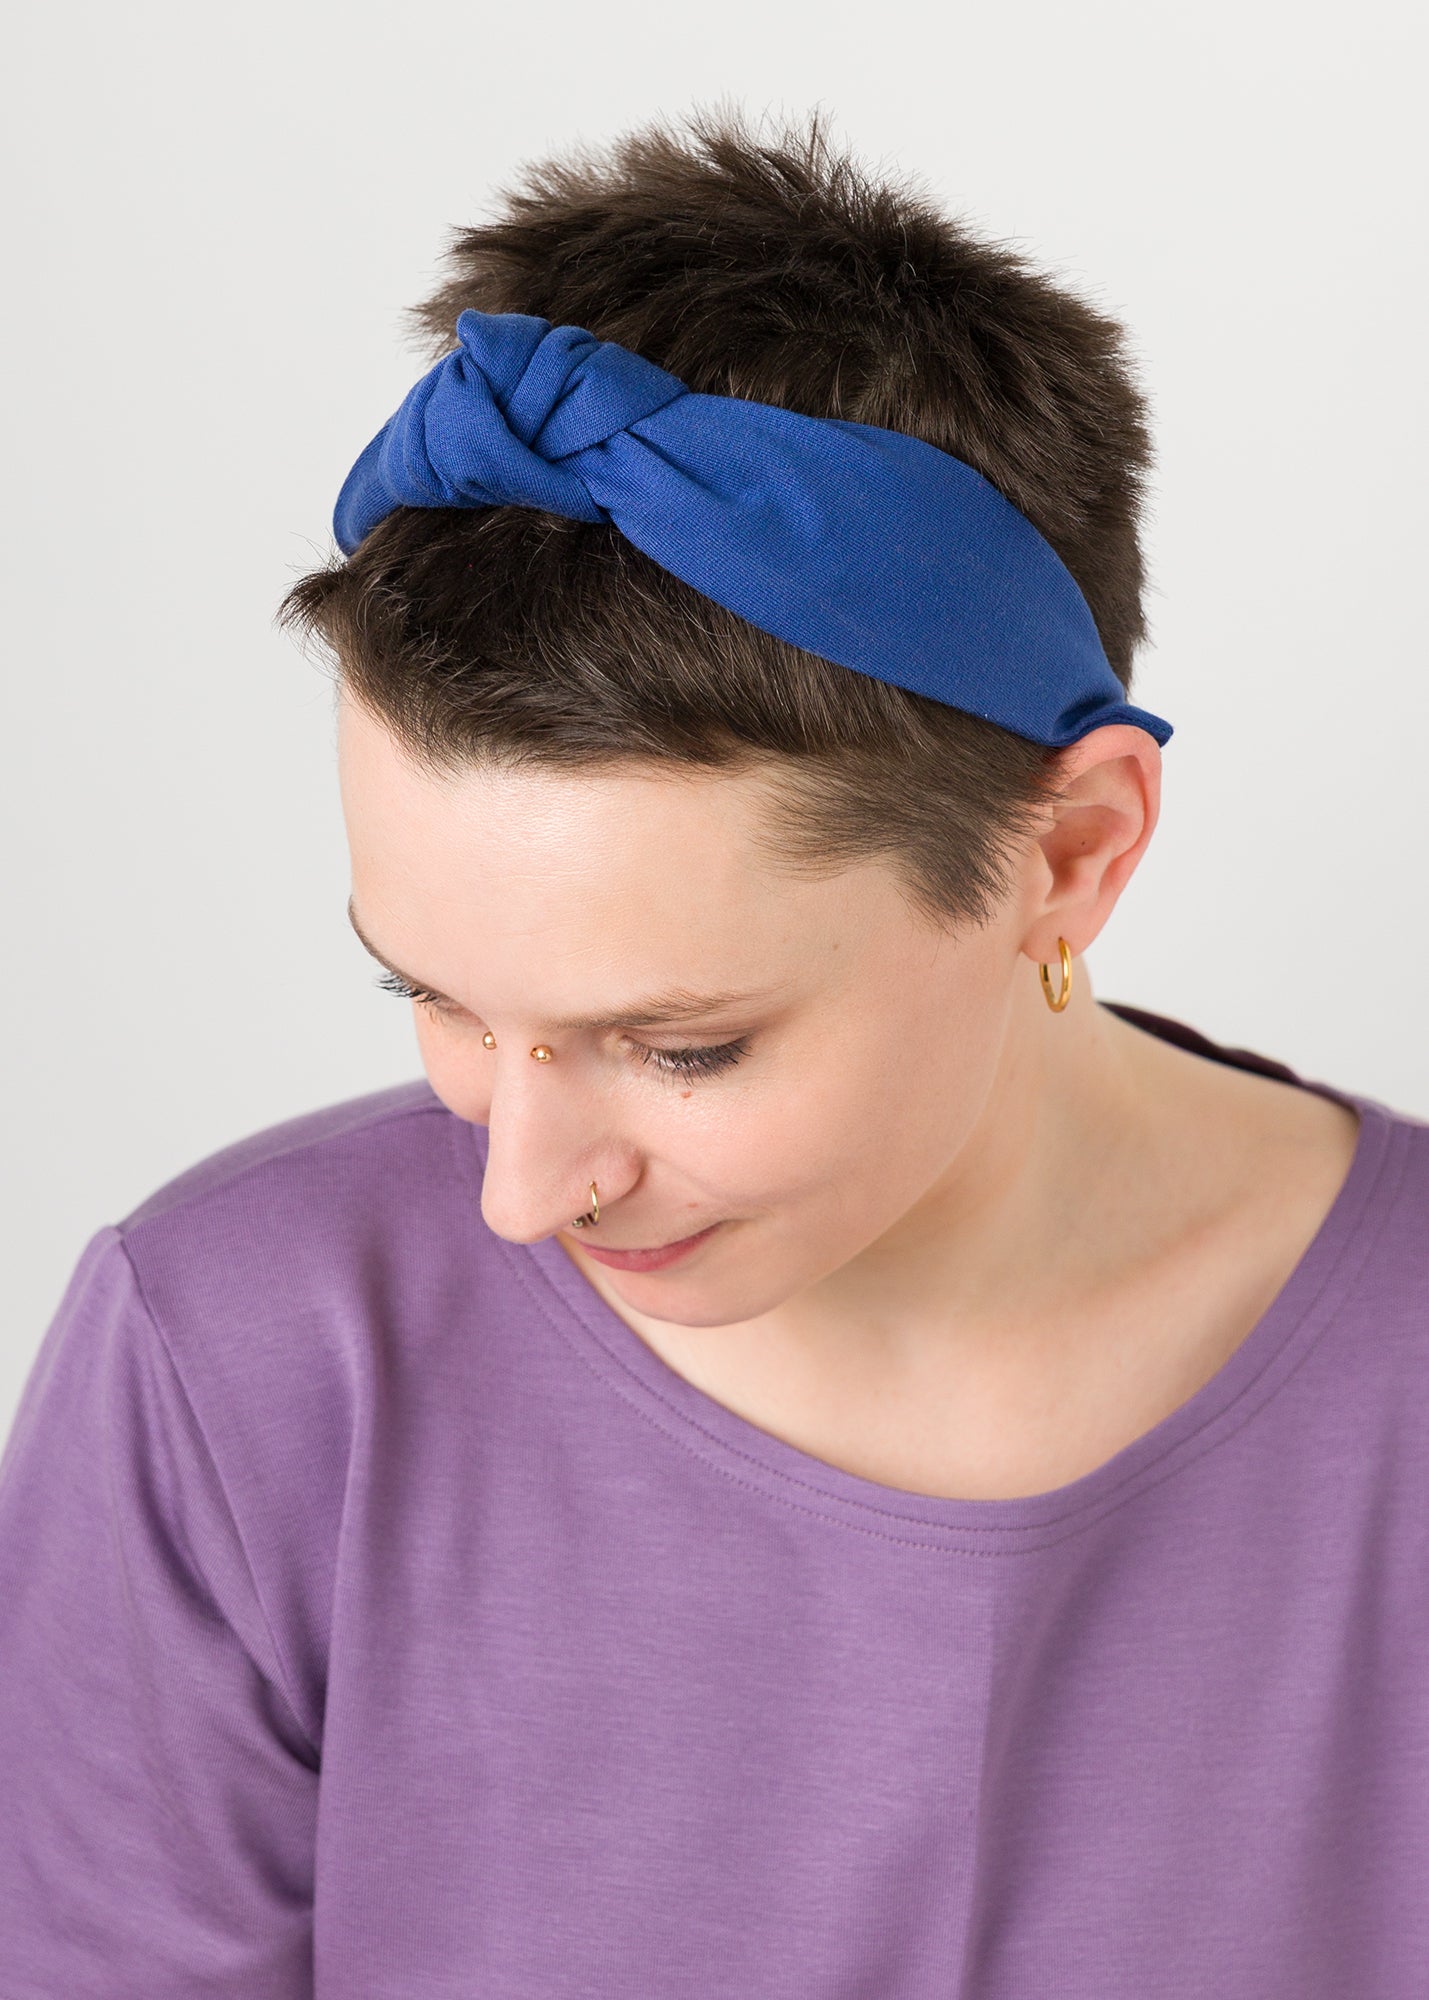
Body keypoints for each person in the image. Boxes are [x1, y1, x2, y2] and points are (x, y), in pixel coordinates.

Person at [1, 105, 1425, 1999]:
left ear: (1070, 854)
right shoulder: (237, 1361)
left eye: (679, 1047)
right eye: (432, 995)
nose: (517, 1192)